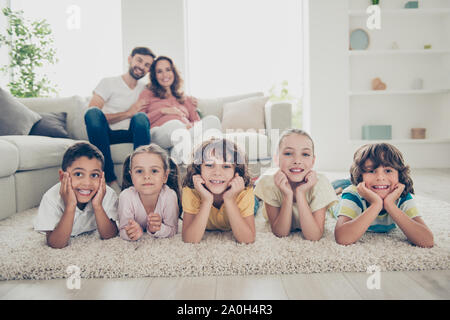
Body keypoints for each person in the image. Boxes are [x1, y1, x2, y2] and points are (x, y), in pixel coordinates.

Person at [334, 143, 434, 248]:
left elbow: (427, 241)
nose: (380, 177)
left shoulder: (402, 196)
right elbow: (342, 238)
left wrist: (390, 205)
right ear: (361, 175)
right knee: (335, 187)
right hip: (341, 193)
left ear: (399, 175)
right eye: (371, 171)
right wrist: (376, 205)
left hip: (372, 185)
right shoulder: (352, 195)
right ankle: (338, 190)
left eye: (388, 170)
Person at [84, 47, 156, 193]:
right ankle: (110, 179)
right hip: (106, 134)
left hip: (133, 133)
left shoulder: (146, 89)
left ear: (149, 70)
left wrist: (185, 99)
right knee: (92, 113)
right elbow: (94, 113)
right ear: (130, 59)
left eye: (147, 65)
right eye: (139, 60)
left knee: (141, 117)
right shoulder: (108, 83)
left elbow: (166, 98)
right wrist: (128, 113)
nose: (141, 66)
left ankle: (137, 179)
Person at [254, 129, 338, 241]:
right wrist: (287, 195)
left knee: (341, 186)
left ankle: (338, 187)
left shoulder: (320, 184)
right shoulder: (269, 183)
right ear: (276, 159)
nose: (297, 160)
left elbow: (314, 236)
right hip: (274, 188)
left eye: (305, 154)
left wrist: (300, 193)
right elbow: (281, 233)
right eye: (288, 153)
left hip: (321, 186)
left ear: (313, 161)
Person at [33, 142, 119, 249]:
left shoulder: (107, 194)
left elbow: (110, 235)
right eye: (78, 174)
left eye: (94, 175)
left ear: (102, 177)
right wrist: (70, 206)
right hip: (56, 226)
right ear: (62, 176)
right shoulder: (51, 198)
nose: (87, 183)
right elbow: (56, 244)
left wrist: (98, 205)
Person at [139, 56, 222, 161]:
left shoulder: (184, 98)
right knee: (176, 125)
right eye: (159, 71)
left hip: (184, 132)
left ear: (173, 72)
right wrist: (162, 111)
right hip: (160, 133)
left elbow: (196, 121)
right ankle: (183, 150)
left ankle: (177, 159)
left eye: (168, 70)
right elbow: (140, 121)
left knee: (213, 121)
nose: (165, 75)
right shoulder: (147, 94)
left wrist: (188, 126)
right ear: (154, 76)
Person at [181, 138, 255, 244]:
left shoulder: (244, 192)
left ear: (236, 172)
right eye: (209, 165)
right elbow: (190, 239)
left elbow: (247, 239)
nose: (217, 173)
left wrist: (229, 199)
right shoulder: (192, 190)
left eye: (226, 166)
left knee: (255, 203)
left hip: (238, 197)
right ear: (198, 169)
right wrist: (207, 200)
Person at [118, 144, 181, 241]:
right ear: (131, 176)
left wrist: (158, 229)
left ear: (165, 176)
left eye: (154, 171)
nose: (146, 176)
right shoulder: (126, 196)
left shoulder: (169, 196)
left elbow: (173, 229)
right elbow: (122, 230)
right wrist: (131, 232)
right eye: (139, 171)